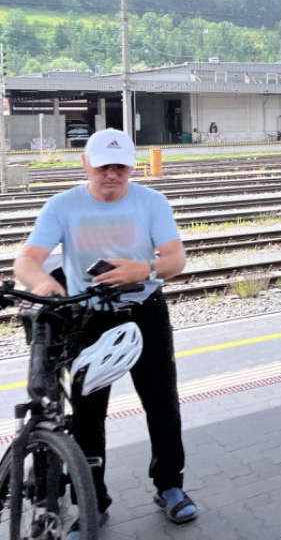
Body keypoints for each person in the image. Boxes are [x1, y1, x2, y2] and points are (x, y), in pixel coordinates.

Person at [13, 128, 198, 538]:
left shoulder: (152, 202)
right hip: (87, 319)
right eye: (103, 167)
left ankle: (170, 486)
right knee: (88, 413)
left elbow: (175, 257)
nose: (112, 175)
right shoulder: (63, 206)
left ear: (131, 167)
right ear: (86, 165)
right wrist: (44, 284)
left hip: (144, 312)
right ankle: (92, 502)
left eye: (120, 167)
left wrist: (145, 269)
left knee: (162, 403)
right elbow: (26, 262)